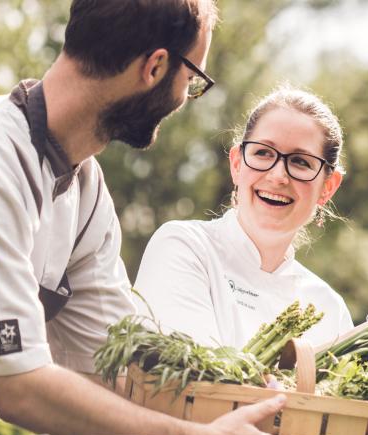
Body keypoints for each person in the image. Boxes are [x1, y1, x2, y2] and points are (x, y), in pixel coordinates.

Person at [0, 0, 321, 435]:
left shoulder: (83, 187)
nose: (185, 97)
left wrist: (245, 402)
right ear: (155, 67)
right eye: (192, 79)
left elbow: (114, 367)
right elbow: (20, 388)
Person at [134, 86, 353, 349]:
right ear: (237, 164)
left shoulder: (330, 311)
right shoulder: (185, 248)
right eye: (263, 153)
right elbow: (188, 371)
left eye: (301, 162)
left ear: (328, 187)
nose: (278, 176)